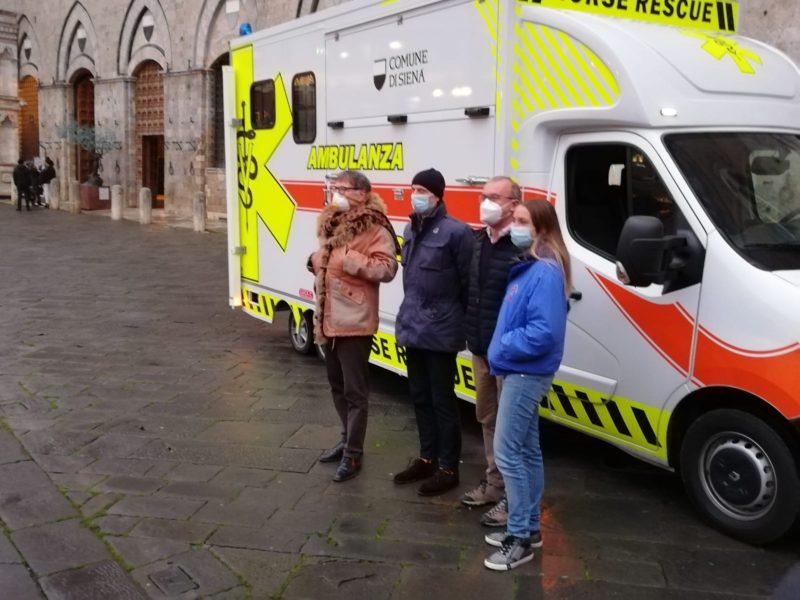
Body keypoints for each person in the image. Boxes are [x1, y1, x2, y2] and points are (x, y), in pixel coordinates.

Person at [483, 199, 571, 571]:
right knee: (527, 451)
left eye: (522, 221)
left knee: (507, 454)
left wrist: (502, 346)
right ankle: (530, 526)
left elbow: (543, 332)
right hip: (519, 370)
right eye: (514, 219)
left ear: (542, 229)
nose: (513, 226)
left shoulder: (545, 271)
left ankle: (518, 537)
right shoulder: (534, 265)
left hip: (524, 373)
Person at [309, 170, 400, 483]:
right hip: (329, 318)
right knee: (336, 385)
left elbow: (387, 268)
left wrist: (348, 259)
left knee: (355, 391)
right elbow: (328, 259)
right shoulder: (333, 220)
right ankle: (346, 438)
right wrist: (315, 260)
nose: (336, 192)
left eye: (343, 188)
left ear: (362, 193)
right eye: (335, 187)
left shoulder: (375, 225)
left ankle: (354, 454)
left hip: (355, 321)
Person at [393, 168, 474, 496]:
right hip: (413, 327)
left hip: (441, 331)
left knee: (442, 400)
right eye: (414, 189)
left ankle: (448, 467)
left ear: (438, 196)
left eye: (423, 190)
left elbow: (468, 283)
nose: (416, 196)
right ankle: (427, 457)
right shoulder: (409, 229)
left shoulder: (457, 232)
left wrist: (461, 323)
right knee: (420, 396)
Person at [461, 176, 522, 527]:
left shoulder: (524, 245)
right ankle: (494, 484)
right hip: (481, 349)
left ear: (514, 203)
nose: (486, 202)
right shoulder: (479, 241)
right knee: (487, 418)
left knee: (513, 429)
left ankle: (516, 498)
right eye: (483, 196)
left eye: (494, 197)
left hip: (510, 355)